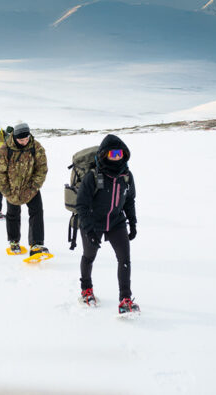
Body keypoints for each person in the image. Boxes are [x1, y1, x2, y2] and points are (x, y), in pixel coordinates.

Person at [75, 134, 139, 315]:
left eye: (120, 153)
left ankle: (125, 299)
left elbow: (129, 201)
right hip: (93, 223)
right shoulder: (93, 176)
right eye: (112, 153)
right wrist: (89, 230)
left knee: (124, 259)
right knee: (89, 256)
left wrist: (133, 223)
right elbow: (82, 205)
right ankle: (86, 290)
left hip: (116, 222)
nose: (117, 157)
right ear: (104, 154)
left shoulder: (126, 176)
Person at [0, 122, 49, 256]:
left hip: (31, 187)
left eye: (26, 139)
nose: (24, 142)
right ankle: (14, 241)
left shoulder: (36, 147)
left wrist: (34, 187)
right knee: (13, 214)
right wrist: (7, 192)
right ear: (15, 137)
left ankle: (36, 244)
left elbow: (41, 169)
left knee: (37, 213)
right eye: (21, 140)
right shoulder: (4, 150)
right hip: (12, 188)